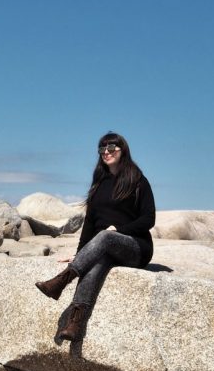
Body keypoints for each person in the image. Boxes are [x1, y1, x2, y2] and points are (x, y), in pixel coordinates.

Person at [35, 132, 155, 342]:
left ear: (122, 150)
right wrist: (80, 254)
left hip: (135, 247)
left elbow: (148, 219)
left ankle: (62, 280)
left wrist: (118, 230)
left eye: (111, 148)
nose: (106, 152)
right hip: (104, 247)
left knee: (105, 237)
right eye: (102, 149)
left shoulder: (137, 180)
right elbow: (89, 222)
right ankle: (75, 324)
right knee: (97, 261)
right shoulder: (99, 182)